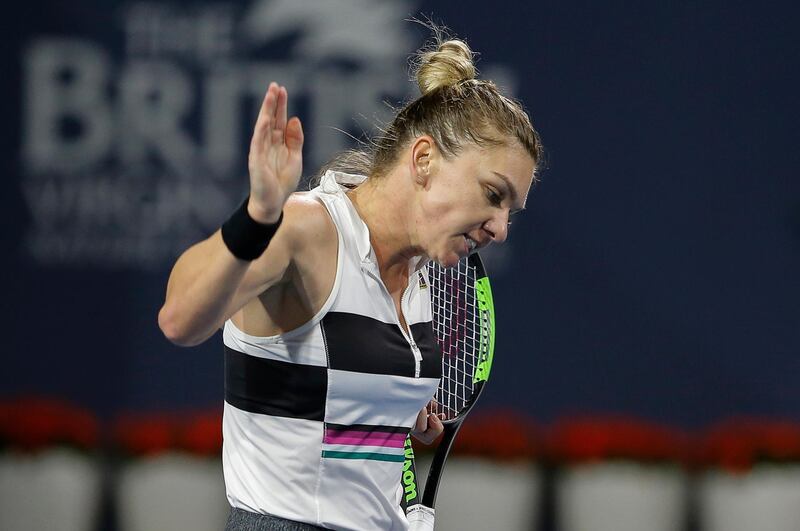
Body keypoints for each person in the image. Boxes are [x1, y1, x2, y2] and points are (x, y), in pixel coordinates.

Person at [158, 26, 543, 531]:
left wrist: (390, 405)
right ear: (424, 159)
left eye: (512, 210)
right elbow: (179, 319)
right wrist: (257, 217)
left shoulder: (422, 274)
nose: (500, 228)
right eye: (494, 194)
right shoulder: (306, 229)